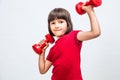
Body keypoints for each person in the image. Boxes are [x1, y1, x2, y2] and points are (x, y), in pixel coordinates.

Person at [38, 4, 101, 80]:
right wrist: (42, 52)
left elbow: (95, 32)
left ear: (68, 24)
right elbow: (43, 70)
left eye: (60, 22)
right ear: (49, 26)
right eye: (53, 23)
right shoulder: (53, 49)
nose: (56, 26)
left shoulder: (74, 36)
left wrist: (90, 11)